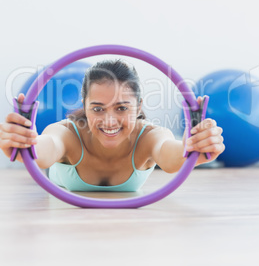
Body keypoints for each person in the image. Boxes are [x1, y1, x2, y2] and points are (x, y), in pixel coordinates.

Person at [0, 60, 225, 192]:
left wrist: (193, 147)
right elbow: (45, 149)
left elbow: (171, 156)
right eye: (97, 109)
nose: (109, 121)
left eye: (121, 108)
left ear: (138, 108)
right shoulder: (67, 132)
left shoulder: (151, 136)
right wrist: (25, 143)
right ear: (84, 107)